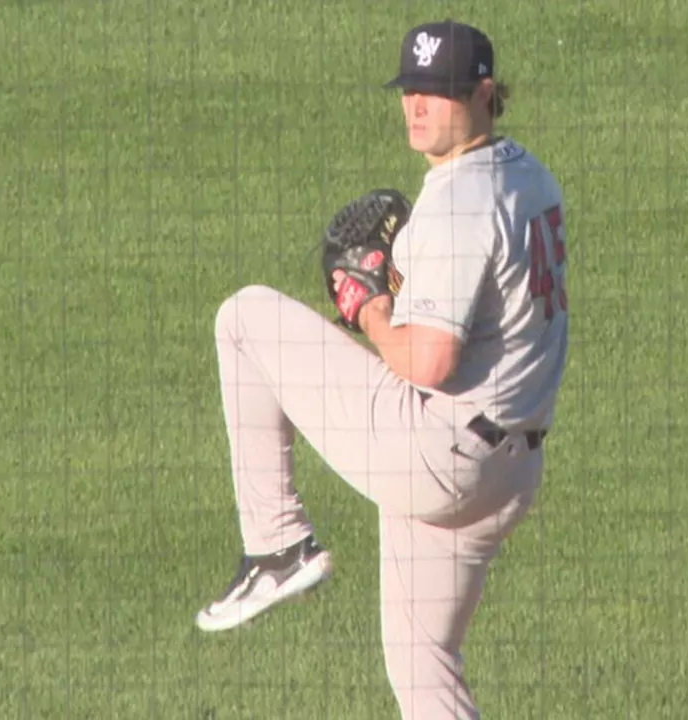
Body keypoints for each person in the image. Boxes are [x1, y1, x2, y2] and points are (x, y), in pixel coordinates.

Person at [195, 19, 570, 720]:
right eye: (411, 89)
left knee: (246, 320)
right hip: (510, 470)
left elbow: (429, 360)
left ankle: (276, 546)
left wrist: (367, 306)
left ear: (485, 94)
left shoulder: (458, 200)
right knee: (423, 668)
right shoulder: (530, 174)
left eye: (441, 92)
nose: (418, 106)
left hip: (440, 456)